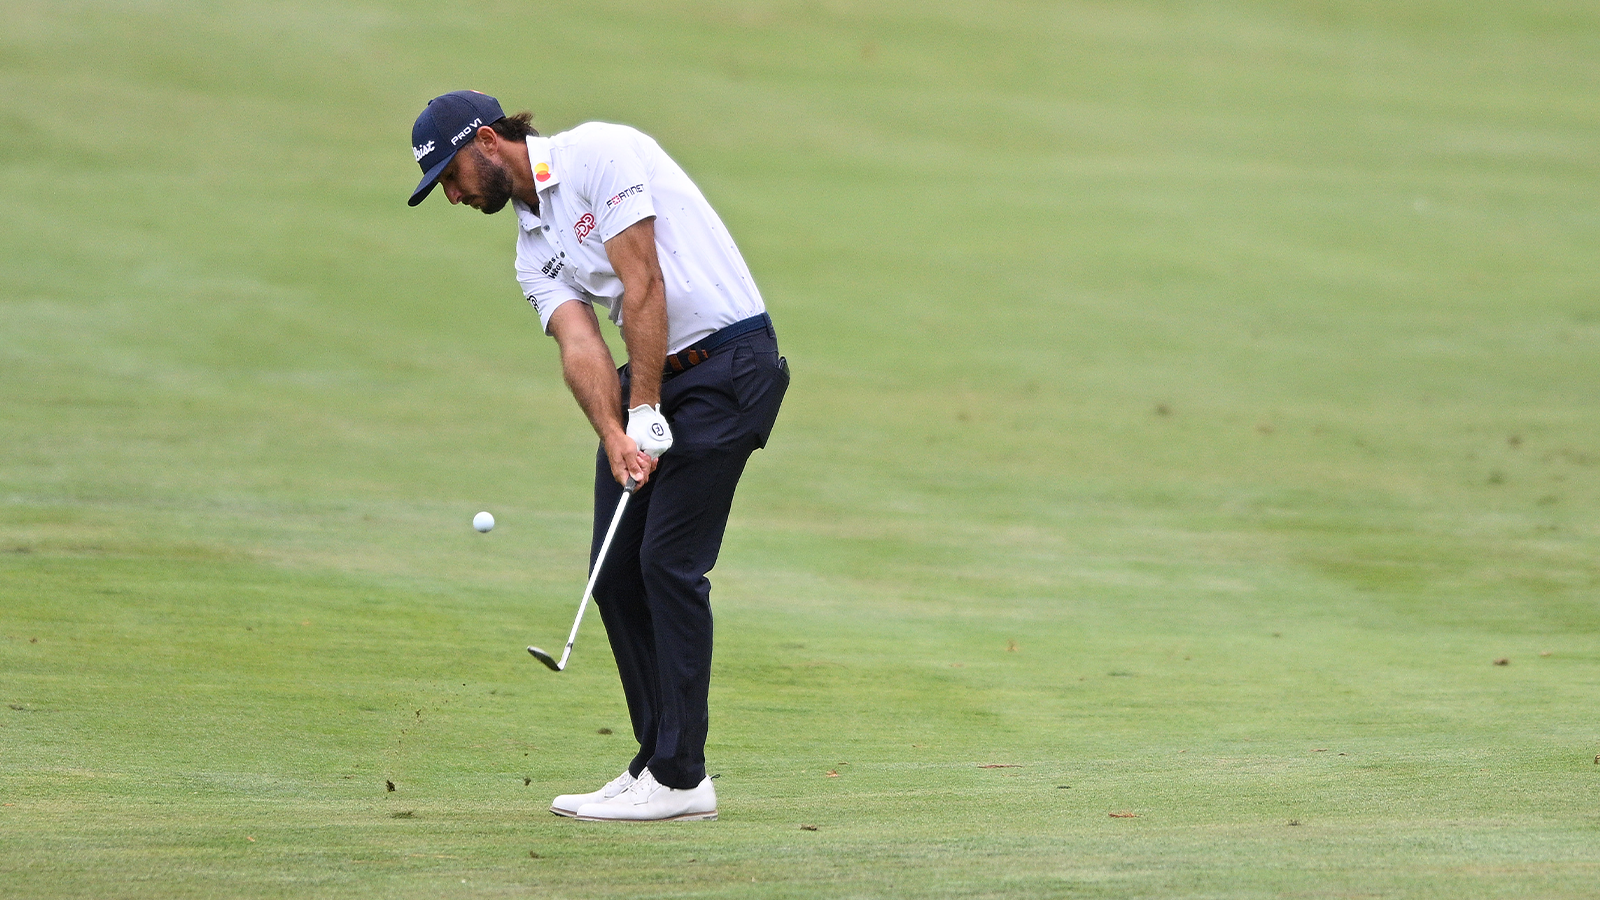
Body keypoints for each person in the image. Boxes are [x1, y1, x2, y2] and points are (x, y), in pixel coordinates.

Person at [407, 90, 788, 822]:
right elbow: (581, 345)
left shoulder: (598, 154)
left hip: (730, 364)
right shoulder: (529, 251)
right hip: (660, 378)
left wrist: (643, 408)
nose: (452, 196)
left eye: (450, 176)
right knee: (614, 575)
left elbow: (644, 281)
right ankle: (657, 762)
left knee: (667, 565)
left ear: (487, 140)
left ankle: (682, 779)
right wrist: (614, 431)